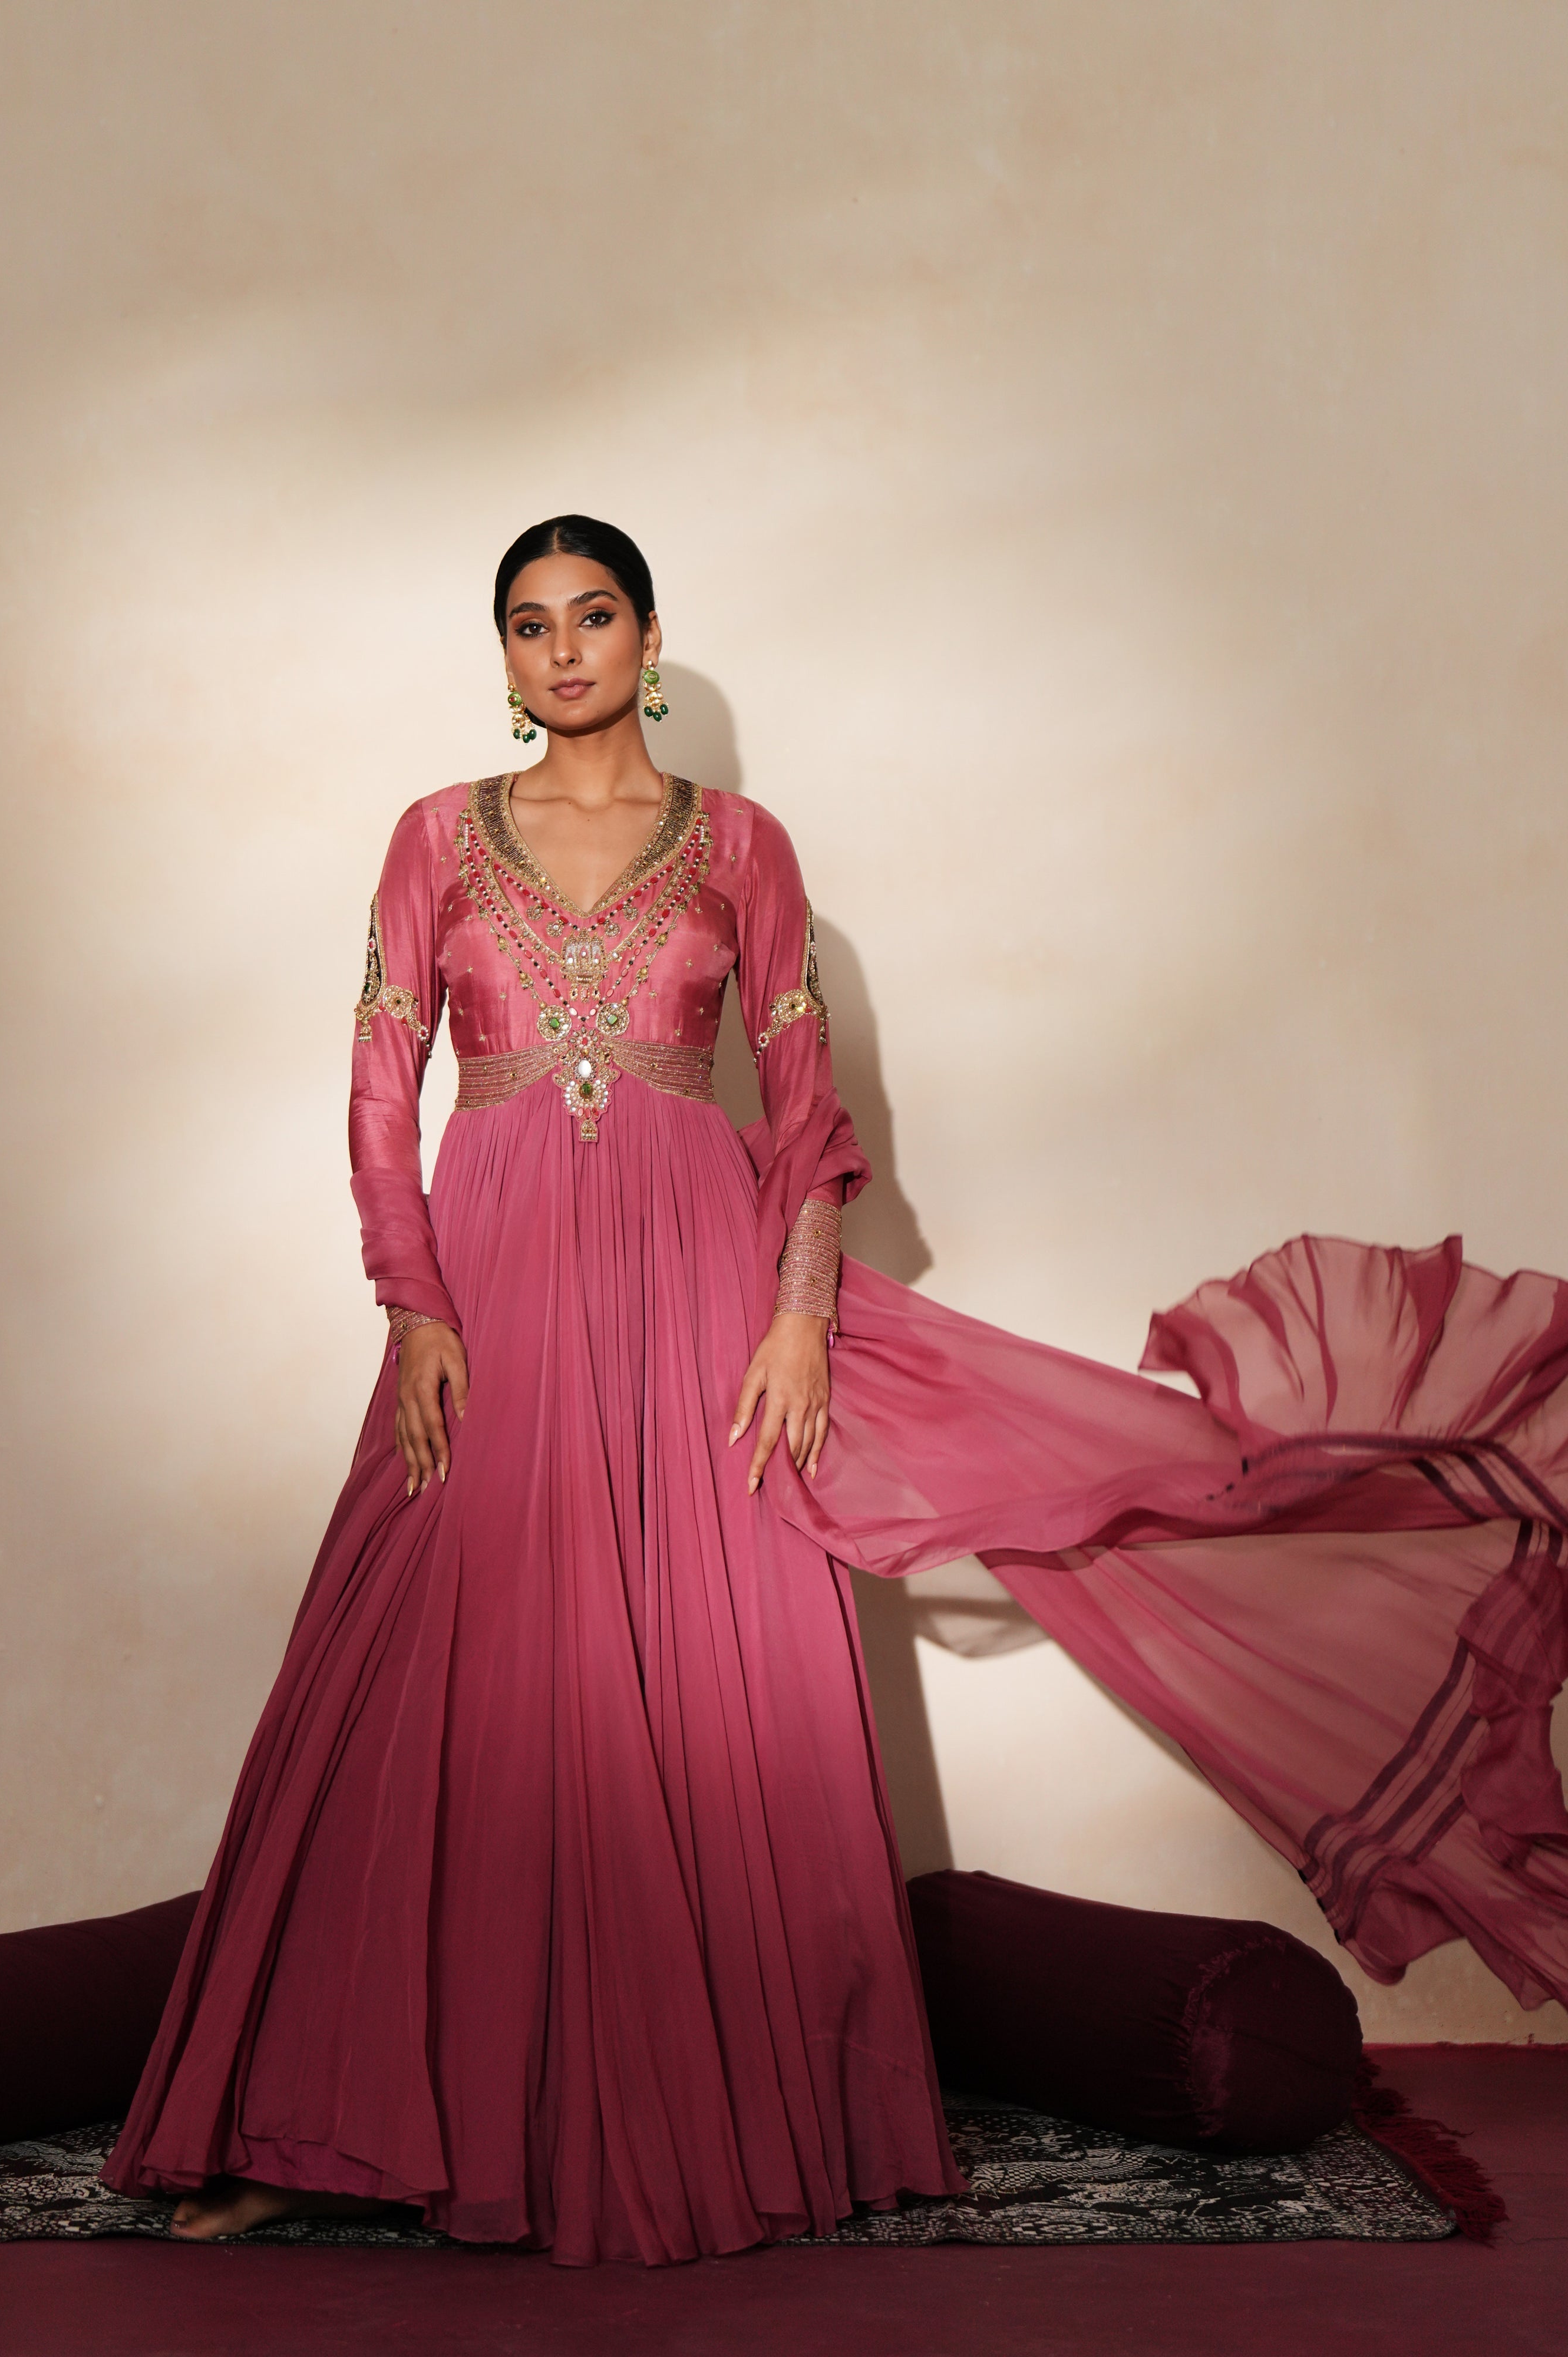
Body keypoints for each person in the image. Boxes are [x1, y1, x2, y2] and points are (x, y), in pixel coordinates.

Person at [106, 517, 1568, 2263]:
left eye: (592, 617)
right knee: (417, 1675)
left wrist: (799, 1320)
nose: (561, 649)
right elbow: (372, 1092)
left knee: (723, 1696)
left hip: (703, 1295)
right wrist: (411, 1303)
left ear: (651, 638)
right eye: (526, 626)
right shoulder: (434, 839)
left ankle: (767, 2113)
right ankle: (323, 2124)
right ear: (499, 662)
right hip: (487, 1290)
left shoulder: (744, 848)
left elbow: (805, 1114)